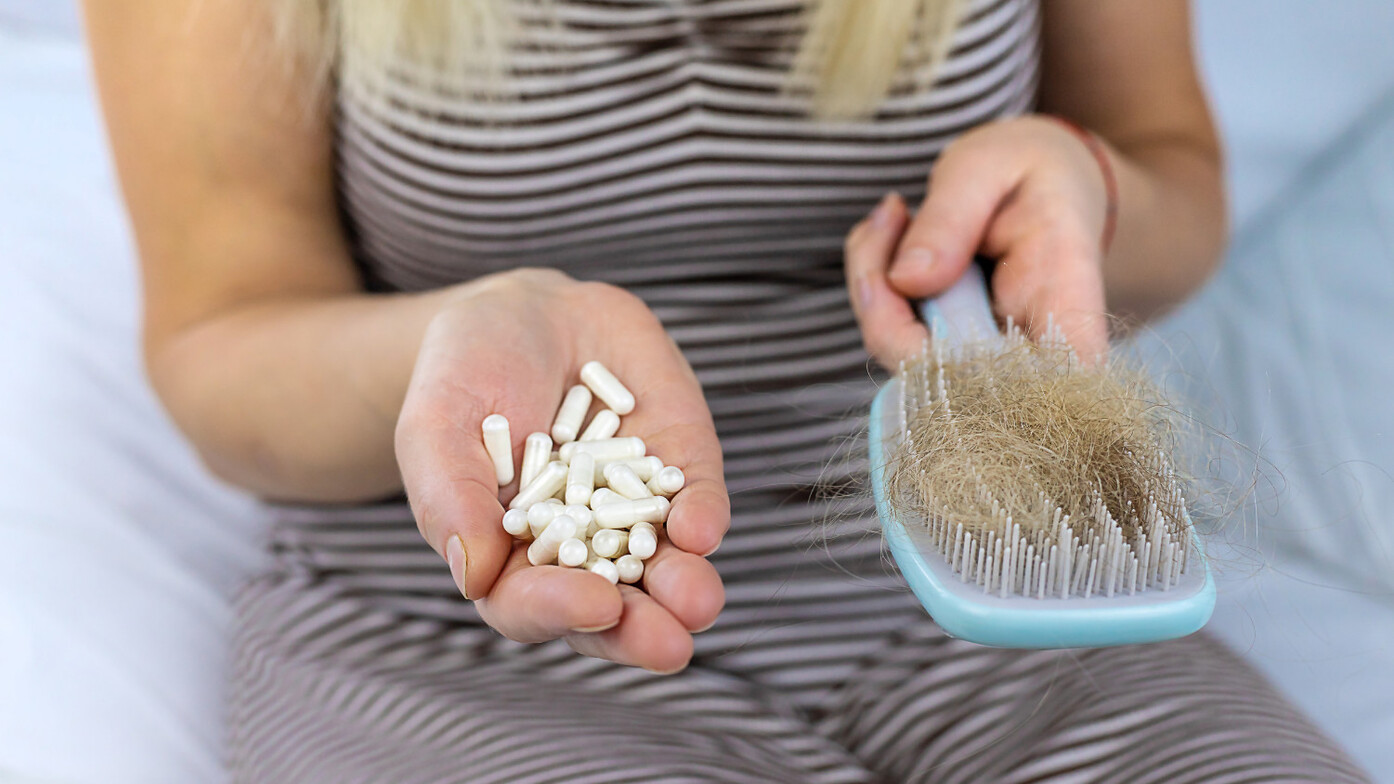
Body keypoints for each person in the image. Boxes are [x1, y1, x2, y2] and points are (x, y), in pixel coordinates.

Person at [84, 0, 1370, 781]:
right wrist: (448, 344)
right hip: (463, 634)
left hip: (999, 586)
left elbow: (1171, 177)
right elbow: (221, 338)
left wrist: (1080, 189)